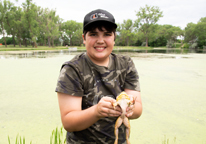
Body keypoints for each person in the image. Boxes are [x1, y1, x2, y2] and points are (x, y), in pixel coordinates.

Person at [55, 9, 142, 144]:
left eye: (107, 34)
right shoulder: (72, 69)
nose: (100, 40)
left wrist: (130, 108)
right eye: (94, 34)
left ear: (114, 38)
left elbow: (138, 110)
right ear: (84, 38)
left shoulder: (126, 64)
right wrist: (97, 111)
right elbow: (68, 121)